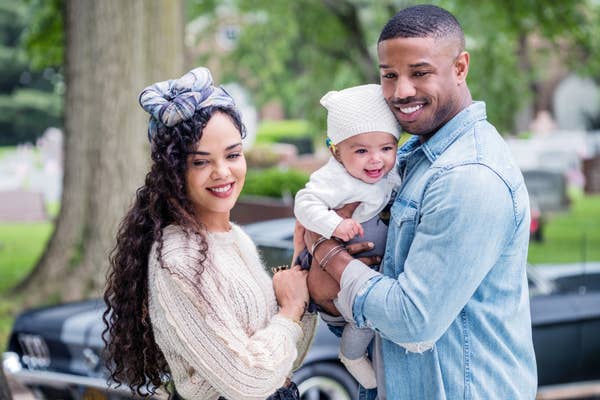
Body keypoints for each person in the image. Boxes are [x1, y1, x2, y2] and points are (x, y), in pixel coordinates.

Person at [302, 5, 537, 400]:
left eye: (420, 72)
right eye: (389, 75)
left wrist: (327, 255)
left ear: (460, 67)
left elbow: (413, 321)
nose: (401, 91)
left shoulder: (469, 176)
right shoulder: (411, 161)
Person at [103, 67, 316, 400]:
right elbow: (247, 382)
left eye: (233, 155)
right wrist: (289, 313)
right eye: (200, 162)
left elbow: (280, 364)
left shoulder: (233, 236)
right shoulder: (180, 259)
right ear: (174, 171)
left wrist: (302, 283)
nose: (222, 172)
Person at [293, 84, 401, 389]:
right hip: (342, 280)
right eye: (362, 151)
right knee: (362, 317)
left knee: (371, 315)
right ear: (336, 151)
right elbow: (304, 202)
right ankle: (351, 357)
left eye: (386, 148)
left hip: (368, 269)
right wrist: (333, 226)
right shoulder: (335, 178)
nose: (376, 160)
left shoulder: (387, 173)